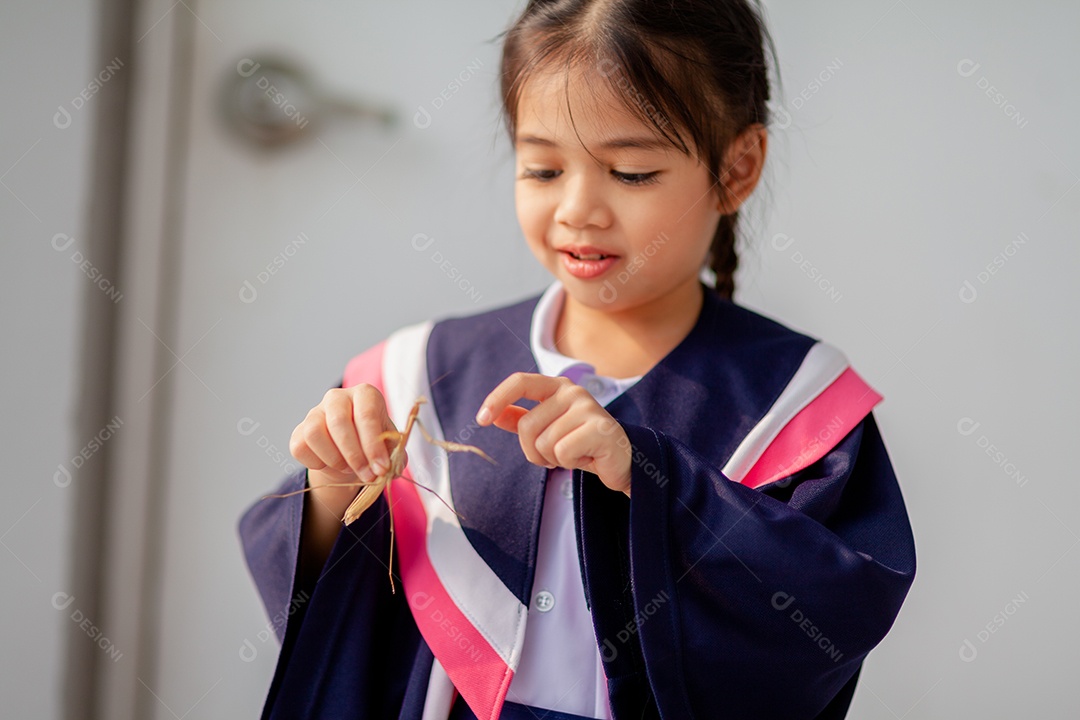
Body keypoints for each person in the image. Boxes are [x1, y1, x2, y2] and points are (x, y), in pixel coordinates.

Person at [237, 1, 917, 718]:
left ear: (737, 167)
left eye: (630, 172)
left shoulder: (795, 402)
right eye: (543, 169)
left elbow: (836, 607)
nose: (578, 209)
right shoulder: (420, 372)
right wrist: (333, 491)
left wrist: (650, 480)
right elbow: (321, 609)